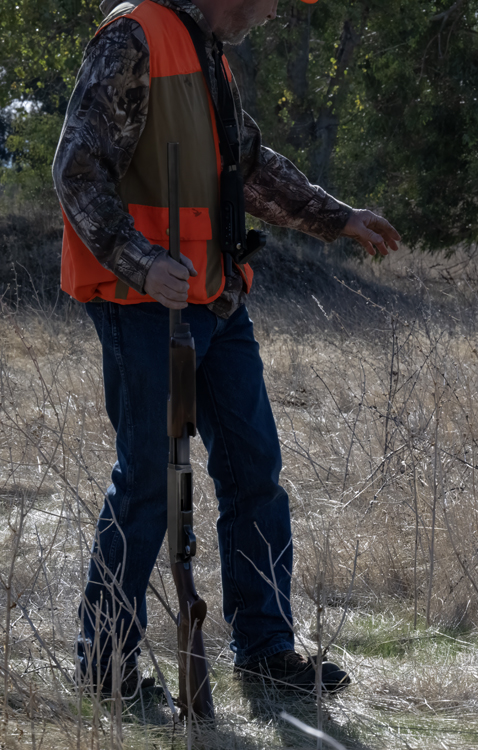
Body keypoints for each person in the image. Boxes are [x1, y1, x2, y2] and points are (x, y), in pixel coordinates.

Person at [52, 0, 400, 699]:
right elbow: (77, 169)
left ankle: (266, 652)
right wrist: (141, 261)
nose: (274, 13)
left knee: (254, 473)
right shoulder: (135, 36)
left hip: (216, 297)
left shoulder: (207, 50)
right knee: (150, 480)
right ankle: (105, 667)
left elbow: (246, 164)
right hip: (140, 301)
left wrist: (339, 218)